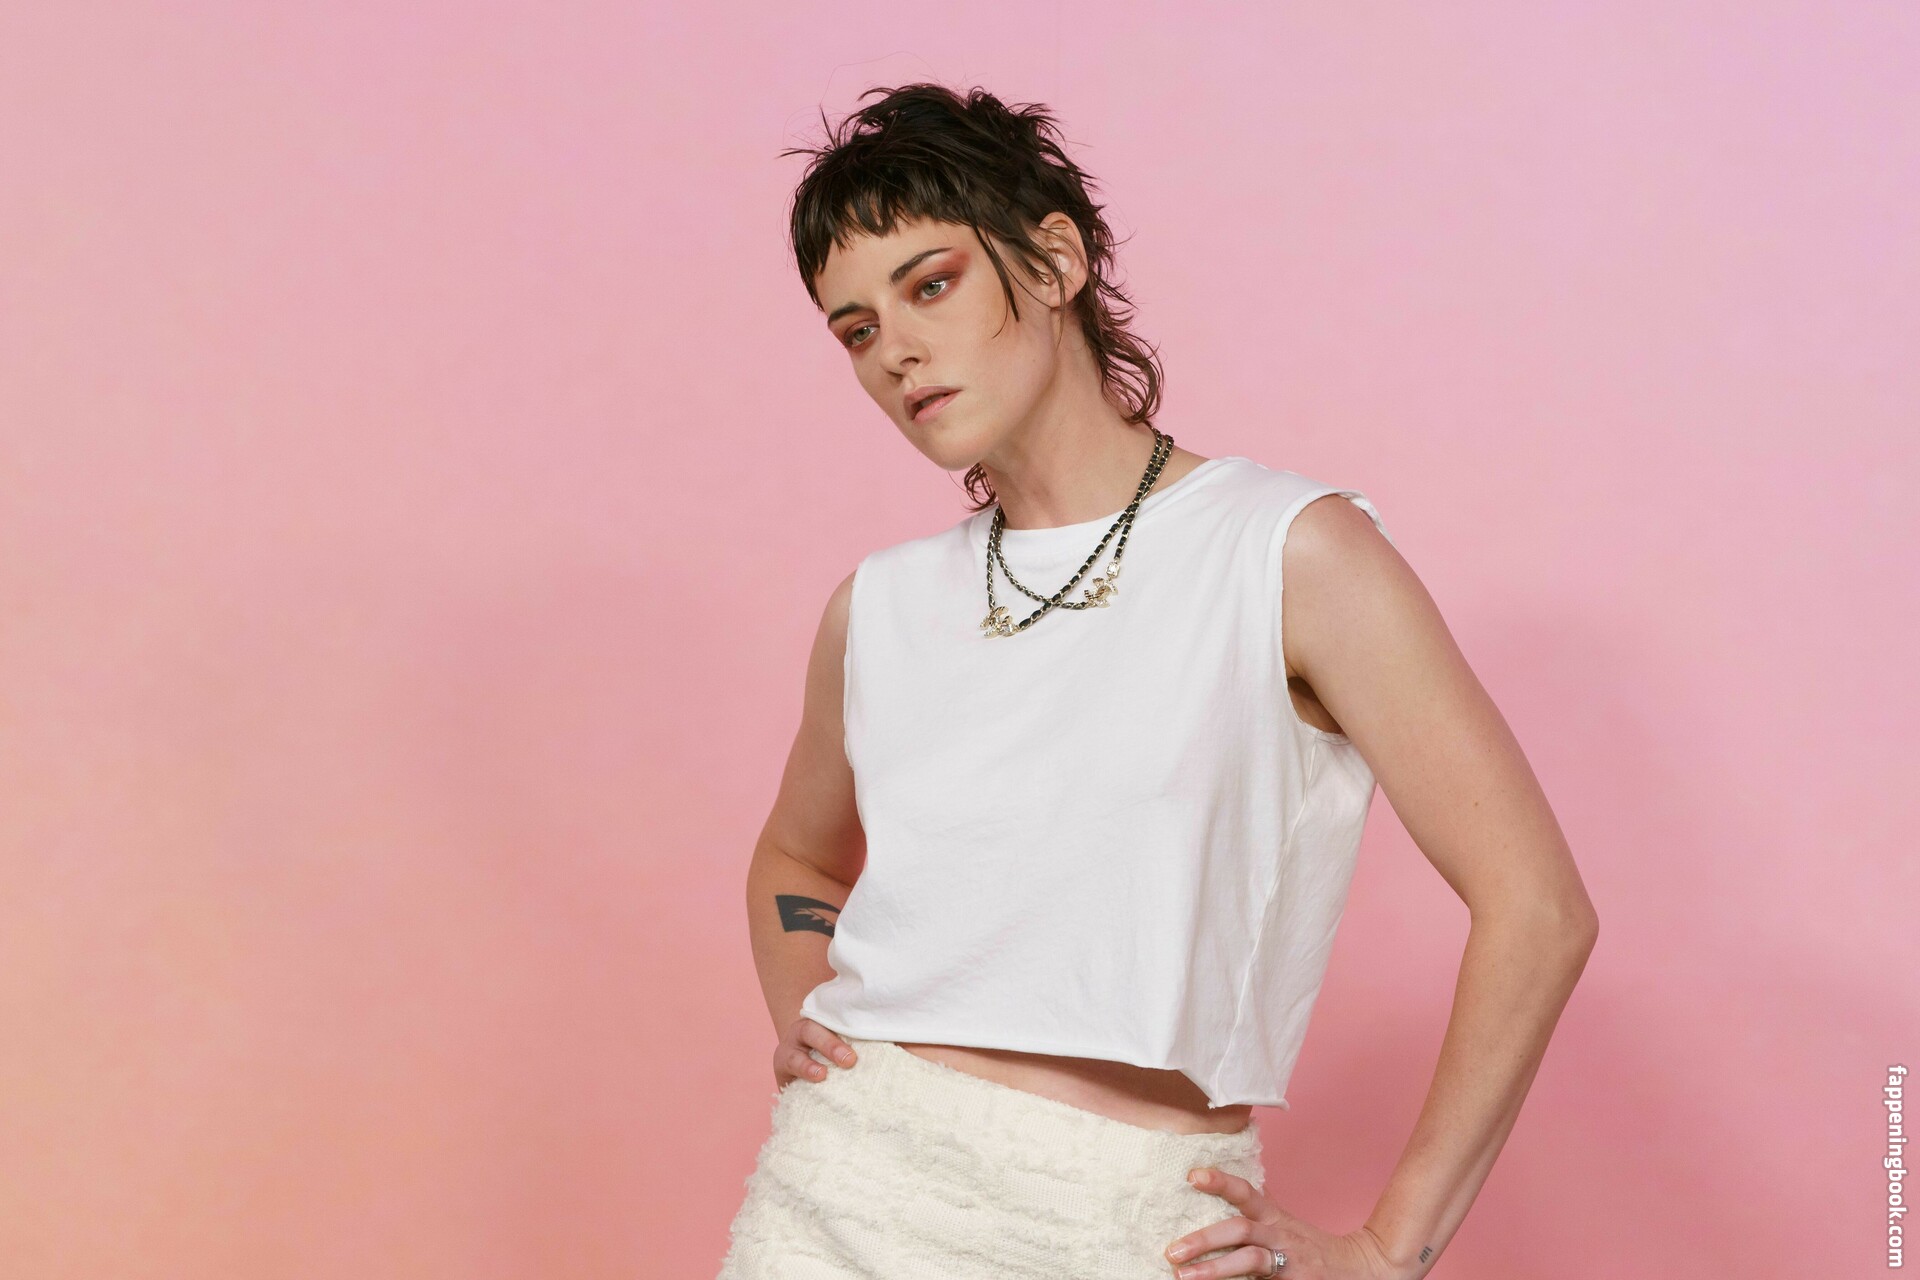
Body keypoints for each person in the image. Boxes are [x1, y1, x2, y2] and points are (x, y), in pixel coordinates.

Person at [716, 83, 1599, 1280]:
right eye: (857, 329)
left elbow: (1538, 907)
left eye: (932, 284)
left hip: (1127, 1220)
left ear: (1056, 258)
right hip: (842, 1192)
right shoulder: (876, 607)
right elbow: (797, 858)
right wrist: (803, 1017)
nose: (897, 352)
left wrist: (1390, 1249)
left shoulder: (1288, 553)